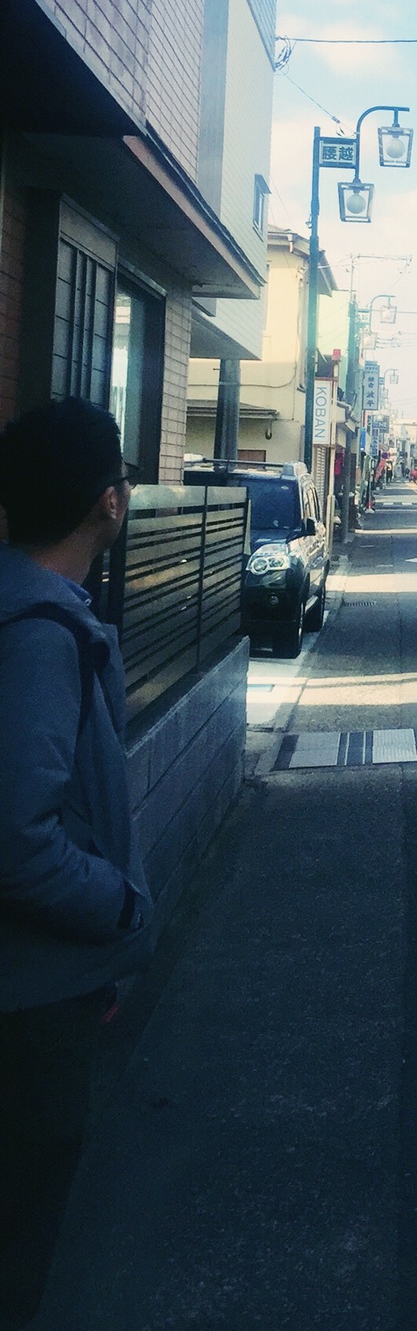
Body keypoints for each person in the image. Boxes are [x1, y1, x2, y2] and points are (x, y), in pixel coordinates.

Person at [0, 399, 154, 1330]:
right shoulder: (41, 638)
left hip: (37, 987)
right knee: (23, 1238)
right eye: (124, 480)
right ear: (108, 503)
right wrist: (119, 912)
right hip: (25, 1007)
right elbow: (16, 839)